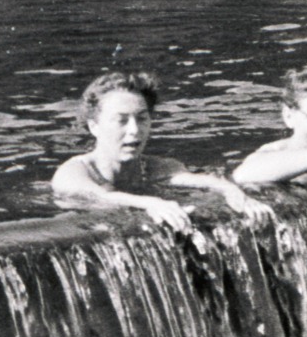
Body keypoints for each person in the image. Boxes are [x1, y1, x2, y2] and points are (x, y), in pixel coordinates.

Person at [52, 71, 269, 230]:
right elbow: (100, 196)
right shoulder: (73, 173)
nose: (134, 131)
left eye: (142, 119)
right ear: (94, 126)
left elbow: (205, 181)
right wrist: (151, 203)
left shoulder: (158, 167)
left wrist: (236, 194)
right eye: (121, 120)